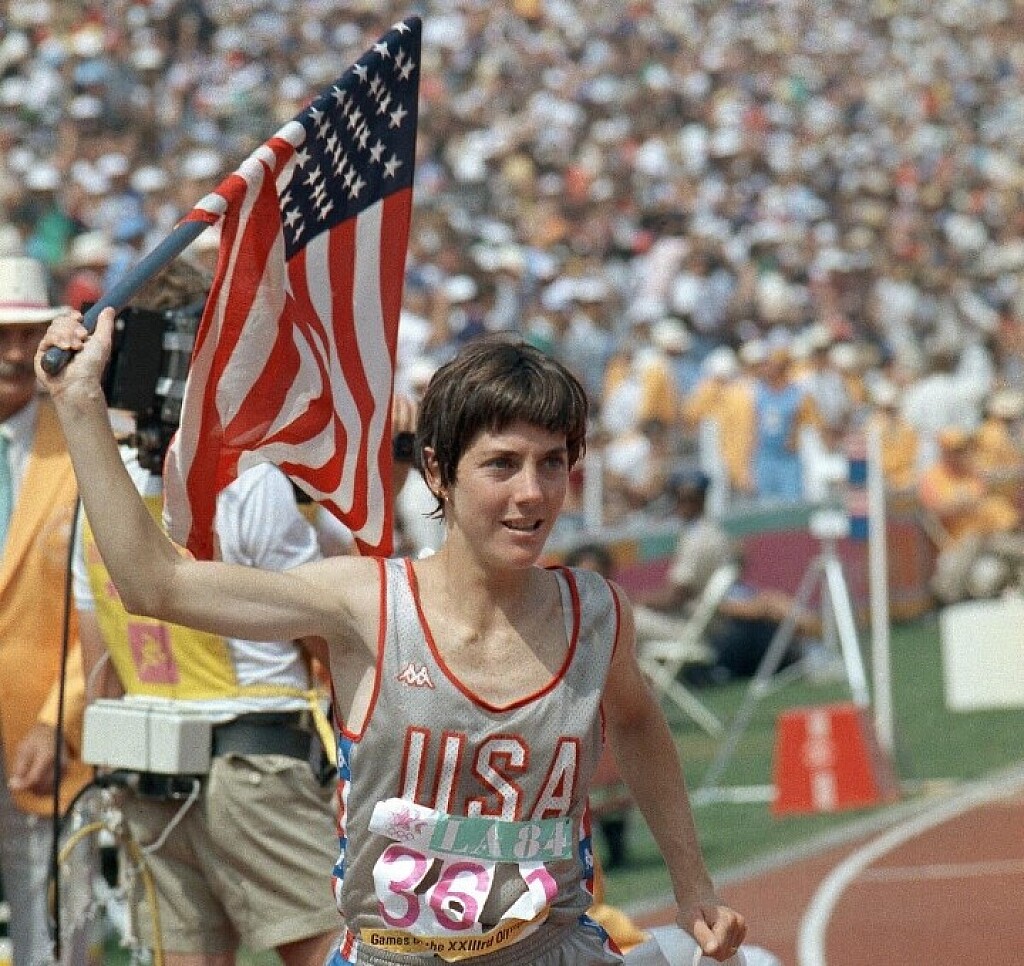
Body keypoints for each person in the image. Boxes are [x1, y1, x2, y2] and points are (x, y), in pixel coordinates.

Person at [38, 319, 747, 966]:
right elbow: (154, 585)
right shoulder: (365, 605)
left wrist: (694, 887)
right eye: (502, 464)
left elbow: (637, 722)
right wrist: (79, 405)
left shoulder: (596, 614)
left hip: (552, 949)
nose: (532, 492)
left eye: (552, 462)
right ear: (437, 471)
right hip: (394, 955)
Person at [70, 258, 364, 966]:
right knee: (332, 952)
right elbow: (321, 632)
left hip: (145, 766)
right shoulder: (248, 482)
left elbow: (97, 663)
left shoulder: (96, 494)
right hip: (256, 763)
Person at [0, 255, 92, 966]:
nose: (13, 352)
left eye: (28, 335)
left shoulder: (87, 445)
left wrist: (59, 717)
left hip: (44, 747)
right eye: (0, 335)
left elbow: (109, 610)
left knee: (53, 943)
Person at [638, 470, 818, 683]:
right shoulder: (714, 533)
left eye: (682, 499)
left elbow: (676, 595)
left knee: (625, 618)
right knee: (772, 604)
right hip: (721, 607)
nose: (680, 505)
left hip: (706, 619)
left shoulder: (697, 539)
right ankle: (817, 644)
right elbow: (738, 561)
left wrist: (637, 599)